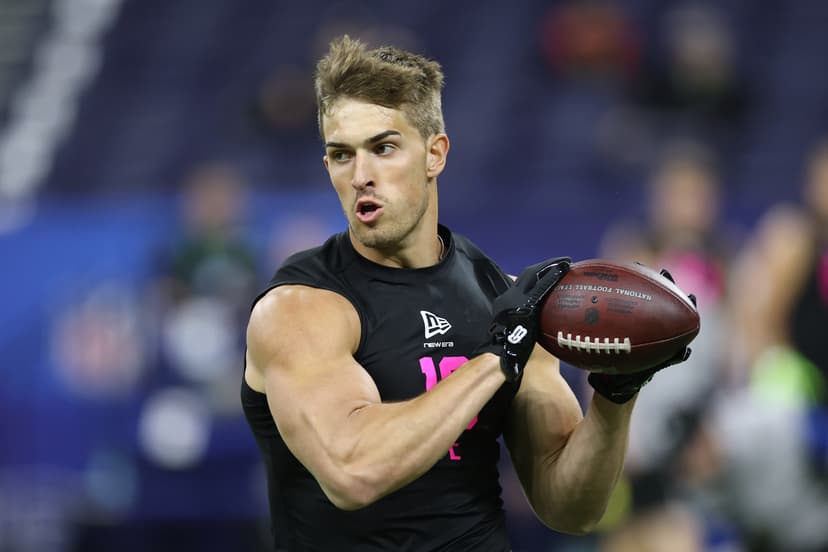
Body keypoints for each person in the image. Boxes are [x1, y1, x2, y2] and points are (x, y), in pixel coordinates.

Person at [240, 35, 692, 551]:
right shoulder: (299, 308)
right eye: (342, 155)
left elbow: (570, 508)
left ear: (434, 154)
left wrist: (615, 396)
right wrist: (496, 358)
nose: (361, 176)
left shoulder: (500, 296)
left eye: (383, 148)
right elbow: (353, 471)